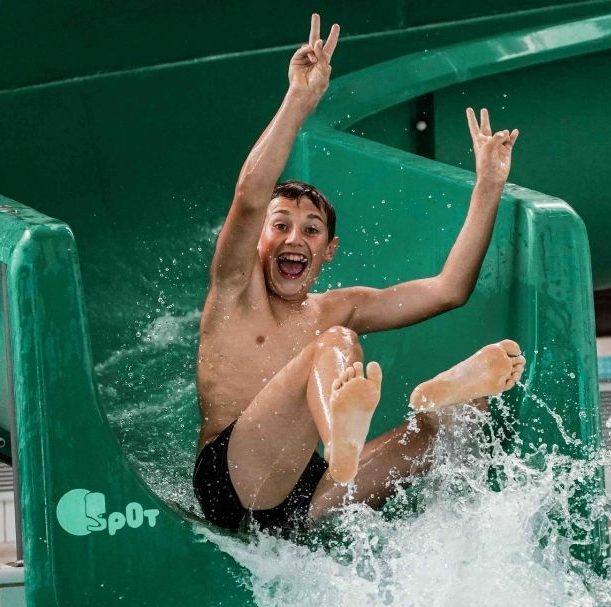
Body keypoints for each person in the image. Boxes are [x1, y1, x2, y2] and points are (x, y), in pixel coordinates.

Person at [194, 13, 525, 536]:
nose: (294, 239)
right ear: (259, 238)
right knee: (336, 343)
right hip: (232, 483)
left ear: (328, 251)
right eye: (280, 226)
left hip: (308, 496)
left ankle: (422, 405)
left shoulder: (335, 303)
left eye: (310, 230)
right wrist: (299, 100)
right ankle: (339, 443)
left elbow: (448, 290)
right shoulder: (235, 291)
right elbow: (250, 193)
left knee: (462, 420)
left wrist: (488, 186)